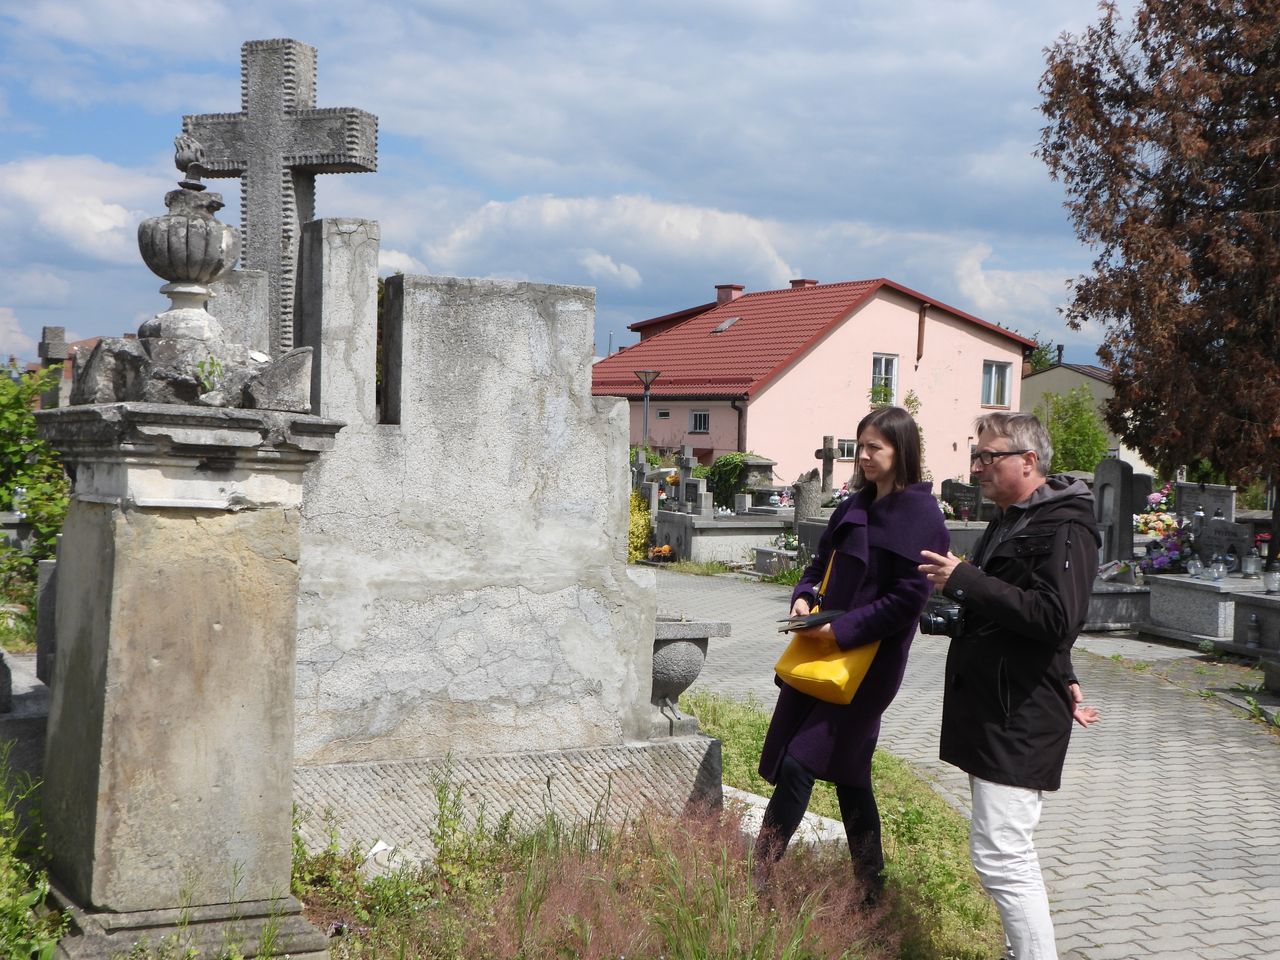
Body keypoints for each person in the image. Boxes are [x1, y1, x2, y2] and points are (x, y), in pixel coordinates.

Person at [918, 412, 1101, 960]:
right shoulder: (1013, 517)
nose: (976, 467)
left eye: (988, 457)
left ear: (1028, 460)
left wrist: (967, 580)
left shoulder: (1063, 525)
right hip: (999, 704)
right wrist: (1066, 674)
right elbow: (1040, 624)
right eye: (975, 456)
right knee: (1001, 850)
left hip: (1018, 712)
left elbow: (1056, 617)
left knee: (1003, 856)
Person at [755, 406, 949, 900]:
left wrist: (841, 631)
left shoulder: (922, 516)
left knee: (803, 761)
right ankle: (871, 889)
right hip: (822, 649)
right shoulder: (852, 505)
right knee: (850, 775)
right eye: (859, 446)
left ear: (900, 451)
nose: (862, 456)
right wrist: (802, 596)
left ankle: (755, 877)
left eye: (873, 447)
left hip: (870, 663)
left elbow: (909, 601)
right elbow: (819, 562)